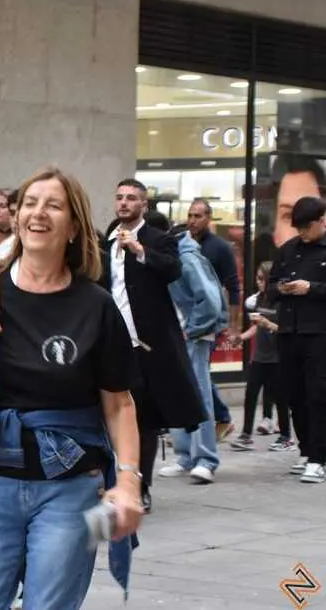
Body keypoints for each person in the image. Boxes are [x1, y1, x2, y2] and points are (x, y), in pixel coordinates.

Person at [0, 167, 143, 609]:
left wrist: (130, 482)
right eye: (30, 203)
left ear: (74, 225)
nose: (38, 213)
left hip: (73, 487)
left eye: (54, 205)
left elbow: (119, 403)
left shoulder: (95, 305)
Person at [100, 183, 205, 511]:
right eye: (119, 197)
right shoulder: (107, 239)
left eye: (131, 198)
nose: (124, 203)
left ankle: (141, 485)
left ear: (144, 204)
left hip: (146, 344)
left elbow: (173, 270)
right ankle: (113, 481)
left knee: (143, 421)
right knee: (109, 416)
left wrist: (139, 250)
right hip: (111, 340)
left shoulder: (159, 239)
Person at [268, 196, 326, 485]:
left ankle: (319, 456)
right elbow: (270, 287)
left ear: (323, 221)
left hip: (323, 333)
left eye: (307, 228)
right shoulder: (288, 250)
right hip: (290, 331)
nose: (303, 234)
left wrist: (312, 288)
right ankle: (306, 450)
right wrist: (283, 288)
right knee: (294, 394)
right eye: (299, 229)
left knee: (320, 394)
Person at [160, 223, 226, 484]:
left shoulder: (186, 258)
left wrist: (193, 328)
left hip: (192, 336)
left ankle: (205, 459)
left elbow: (210, 299)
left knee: (198, 397)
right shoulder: (178, 256)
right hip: (181, 334)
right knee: (179, 395)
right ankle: (187, 457)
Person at [185, 198, 239, 440]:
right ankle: (216, 419)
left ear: (209, 218)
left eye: (198, 216)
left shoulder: (219, 247)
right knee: (196, 372)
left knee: (199, 372)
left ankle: (218, 418)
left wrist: (234, 326)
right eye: (190, 215)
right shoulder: (183, 245)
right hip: (187, 318)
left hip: (210, 320)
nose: (193, 220)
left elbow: (233, 286)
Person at [231, 262, 293, 452]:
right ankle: (246, 435)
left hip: (277, 358)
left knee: (281, 398)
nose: (258, 283)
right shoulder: (260, 300)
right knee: (250, 395)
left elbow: (285, 329)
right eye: (257, 278)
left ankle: (285, 436)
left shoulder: (282, 302)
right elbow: (256, 326)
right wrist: (240, 337)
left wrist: (267, 323)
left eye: (261, 279)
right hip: (259, 356)